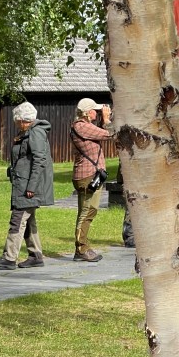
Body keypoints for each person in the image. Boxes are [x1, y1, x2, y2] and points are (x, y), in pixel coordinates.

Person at [0, 102, 53, 270]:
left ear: (23, 120)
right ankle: (36, 255)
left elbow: (39, 160)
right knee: (28, 220)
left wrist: (32, 187)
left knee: (17, 219)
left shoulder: (36, 133)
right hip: (23, 183)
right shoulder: (27, 133)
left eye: (16, 121)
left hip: (28, 186)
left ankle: (9, 258)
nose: (15, 123)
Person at [70, 97, 112, 262]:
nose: (98, 112)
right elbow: (109, 134)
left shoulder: (84, 126)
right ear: (87, 113)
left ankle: (81, 248)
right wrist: (106, 120)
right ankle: (81, 248)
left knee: (86, 212)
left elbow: (99, 133)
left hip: (89, 175)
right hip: (87, 176)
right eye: (95, 110)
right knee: (88, 212)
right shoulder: (81, 126)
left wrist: (103, 121)